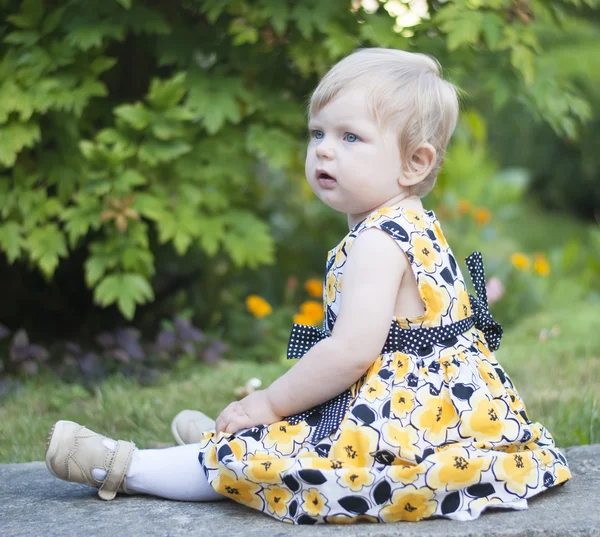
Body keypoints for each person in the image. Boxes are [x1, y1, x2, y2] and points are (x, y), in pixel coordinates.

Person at [45, 48, 571, 523]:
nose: (323, 150)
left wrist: (270, 404)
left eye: (350, 137)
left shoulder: (377, 241)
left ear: (416, 162)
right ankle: (230, 443)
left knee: (288, 462)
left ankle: (123, 466)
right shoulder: (409, 219)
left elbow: (350, 351)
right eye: (317, 133)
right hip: (455, 417)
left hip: (408, 432)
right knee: (292, 433)